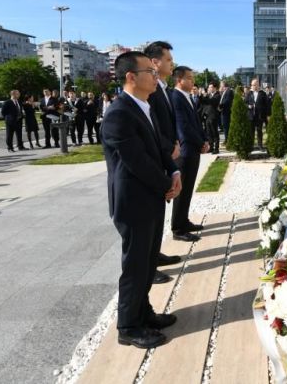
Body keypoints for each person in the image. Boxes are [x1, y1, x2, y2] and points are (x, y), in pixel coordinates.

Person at [101, 51, 181, 349]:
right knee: (135, 266)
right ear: (131, 77)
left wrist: (173, 171)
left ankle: (143, 311)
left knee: (148, 262)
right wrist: (166, 185)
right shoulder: (119, 113)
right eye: (150, 70)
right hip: (134, 202)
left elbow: (158, 148)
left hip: (151, 196)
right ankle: (129, 326)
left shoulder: (142, 106)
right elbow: (137, 162)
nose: (156, 74)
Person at [144, 41, 183, 280]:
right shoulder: (151, 90)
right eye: (168, 60)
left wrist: (174, 144)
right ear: (155, 62)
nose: (172, 63)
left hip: (168, 154)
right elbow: (154, 126)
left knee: (159, 212)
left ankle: (155, 254)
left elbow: (167, 123)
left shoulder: (162, 87)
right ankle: (149, 266)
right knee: (149, 216)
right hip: (159, 155)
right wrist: (169, 148)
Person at [169, 66, 208, 242]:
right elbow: (183, 127)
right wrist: (199, 143)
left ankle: (184, 221)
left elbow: (196, 123)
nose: (193, 81)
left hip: (194, 149)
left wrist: (204, 140)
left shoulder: (187, 97)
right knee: (181, 190)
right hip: (185, 151)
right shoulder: (176, 97)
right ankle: (178, 228)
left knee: (188, 188)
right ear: (179, 80)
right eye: (189, 78)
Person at [244, 78, 269, 150]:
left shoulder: (263, 94)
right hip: (251, 116)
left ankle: (260, 145)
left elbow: (267, 105)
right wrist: (248, 106)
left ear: (258, 85)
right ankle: (251, 145)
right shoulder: (249, 93)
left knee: (259, 131)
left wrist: (267, 115)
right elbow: (244, 103)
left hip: (259, 116)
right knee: (251, 131)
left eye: (254, 85)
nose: (252, 86)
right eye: (252, 85)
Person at [201, 83, 220, 154]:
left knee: (215, 133)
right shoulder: (209, 95)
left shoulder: (217, 95)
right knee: (209, 133)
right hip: (208, 116)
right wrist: (202, 95)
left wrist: (206, 96)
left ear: (215, 88)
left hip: (214, 116)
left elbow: (212, 102)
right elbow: (203, 102)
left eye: (211, 87)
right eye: (209, 87)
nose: (209, 89)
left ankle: (216, 148)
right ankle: (211, 147)